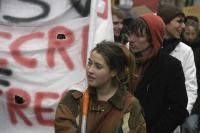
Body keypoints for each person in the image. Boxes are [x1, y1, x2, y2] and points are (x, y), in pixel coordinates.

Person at [54, 41, 146, 133]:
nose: (90, 70)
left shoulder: (129, 105)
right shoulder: (74, 98)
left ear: (113, 71)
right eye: (90, 63)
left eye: (98, 67)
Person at [129, 13, 188, 133]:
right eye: (131, 34)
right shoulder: (124, 61)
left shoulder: (171, 66)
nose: (131, 39)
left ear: (153, 39)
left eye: (139, 36)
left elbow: (178, 110)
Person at [157, 5, 198, 133]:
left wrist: (181, 113)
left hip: (172, 121)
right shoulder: (148, 46)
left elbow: (190, 87)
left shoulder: (185, 51)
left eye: (184, 22)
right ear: (164, 22)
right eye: (179, 21)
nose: (184, 26)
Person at [181, 15, 200, 133]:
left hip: (196, 96)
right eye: (187, 33)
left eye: (193, 34)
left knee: (190, 126)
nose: (190, 37)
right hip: (182, 93)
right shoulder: (179, 48)